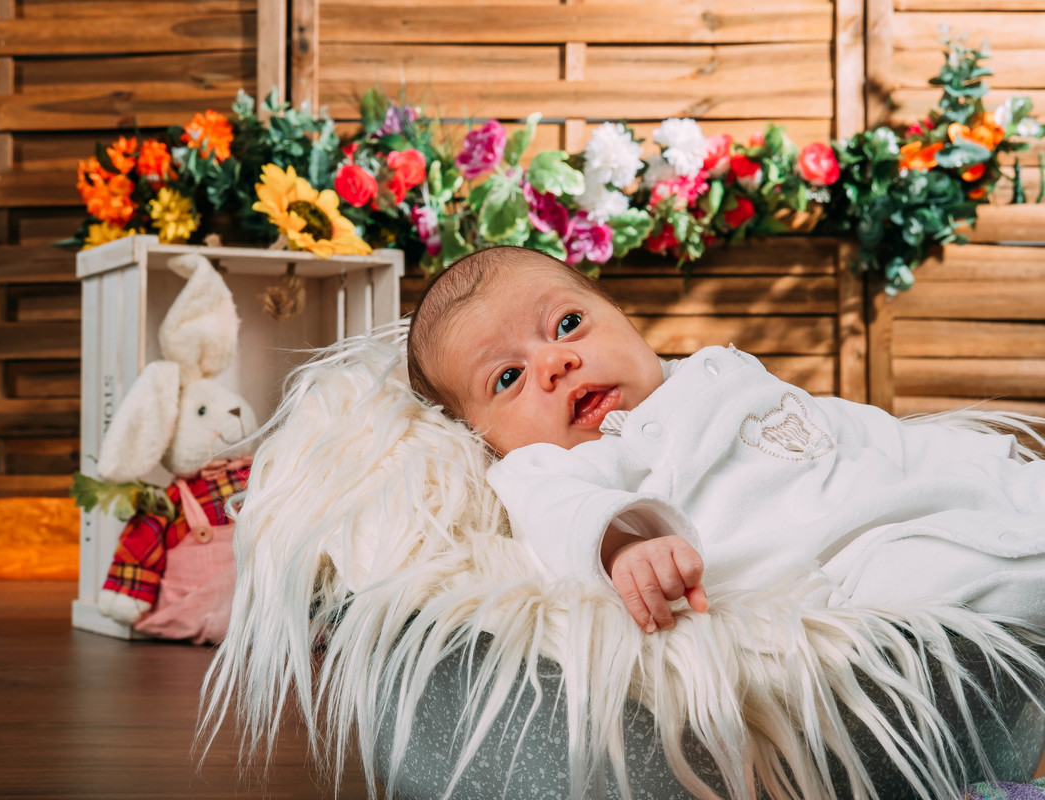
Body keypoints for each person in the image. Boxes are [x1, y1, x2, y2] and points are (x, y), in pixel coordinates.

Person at [406, 245, 1045, 635]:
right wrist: (622, 545)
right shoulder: (547, 466)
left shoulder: (719, 371)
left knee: (1005, 494)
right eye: (509, 377)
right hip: (850, 586)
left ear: (625, 318)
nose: (554, 364)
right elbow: (554, 515)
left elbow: (846, 427)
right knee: (997, 580)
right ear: (480, 436)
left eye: (568, 324)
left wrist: (981, 463)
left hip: (901, 504)